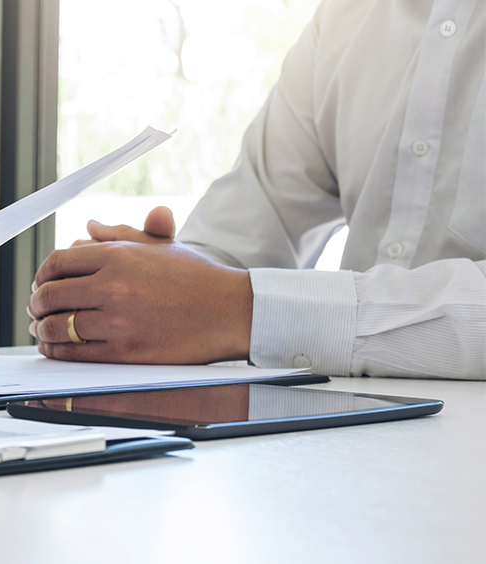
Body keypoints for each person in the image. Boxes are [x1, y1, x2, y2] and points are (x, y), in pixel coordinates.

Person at [28, 0, 484, 379]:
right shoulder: (345, 17)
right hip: (350, 436)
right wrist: (143, 282)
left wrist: (240, 310)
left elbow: (224, 301)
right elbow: (250, 227)